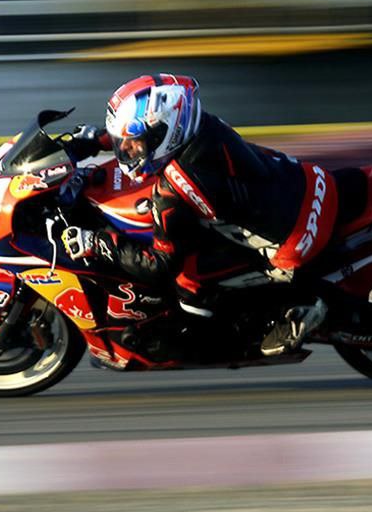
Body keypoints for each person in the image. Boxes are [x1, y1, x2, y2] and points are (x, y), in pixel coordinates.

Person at [62, 73, 333, 356]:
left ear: (163, 135)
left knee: (187, 282)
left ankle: (295, 311)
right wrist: (97, 140)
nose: (126, 150)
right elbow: (152, 132)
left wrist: (98, 242)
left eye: (133, 142)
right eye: (123, 142)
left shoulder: (174, 187)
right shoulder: (199, 125)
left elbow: (158, 264)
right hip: (306, 182)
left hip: (293, 240)